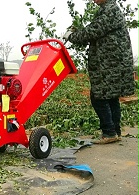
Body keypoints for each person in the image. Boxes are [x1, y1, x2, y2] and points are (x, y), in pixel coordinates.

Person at [63, 0, 135, 144]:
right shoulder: (108, 9)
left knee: (98, 96)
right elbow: (95, 30)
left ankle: (109, 132)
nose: (94, 0)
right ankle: (115, 131)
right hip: (111, 62)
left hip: (110, 64)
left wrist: (70, 36)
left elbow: (92, 31)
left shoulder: (110, 10)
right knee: (111, 96)